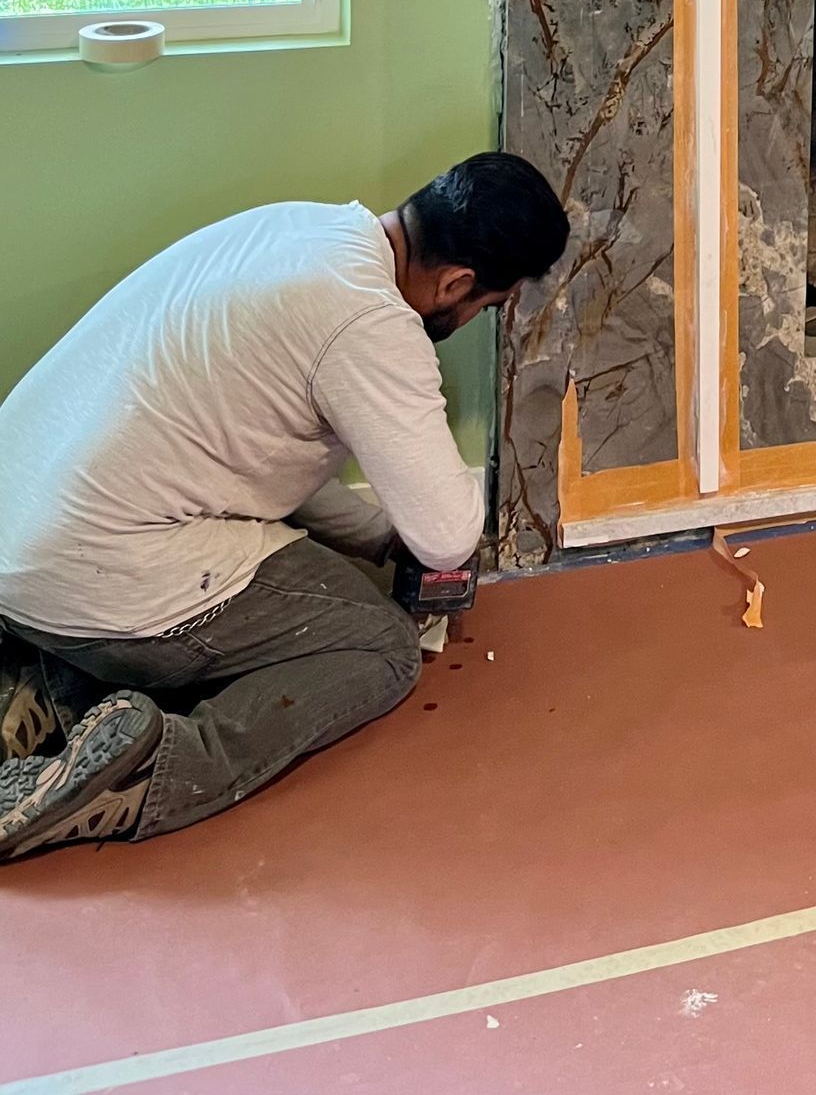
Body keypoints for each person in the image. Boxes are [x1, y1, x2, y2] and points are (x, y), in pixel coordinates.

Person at [0, 152, 567, 862]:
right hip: (96, 569)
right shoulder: (369, 322)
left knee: (285, 572)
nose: (473, 315)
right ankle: (151, 769)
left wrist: (374, 534)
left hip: (22, 538)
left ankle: (50, 683)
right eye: (485, 303)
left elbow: (257, 461)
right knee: (378, 648)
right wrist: (434, 511)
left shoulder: (296, 230)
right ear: (456, 280)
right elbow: (448, 535)